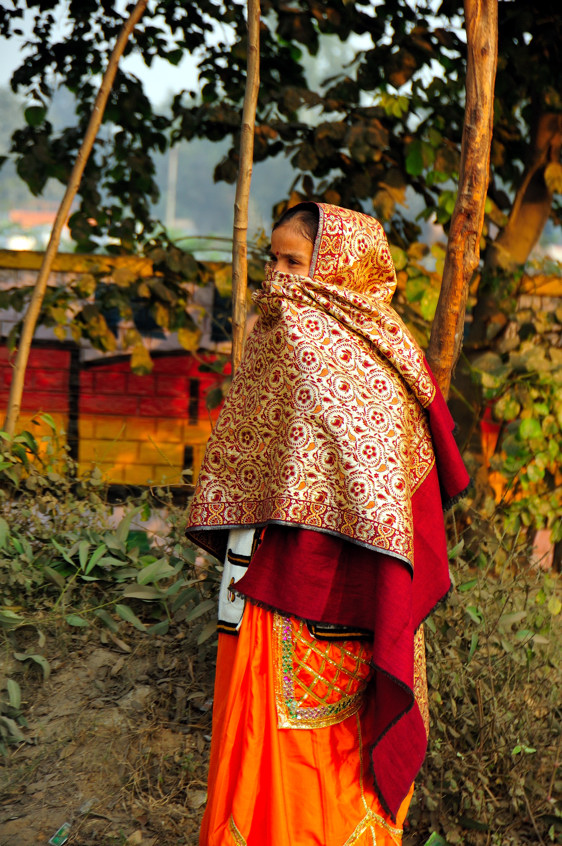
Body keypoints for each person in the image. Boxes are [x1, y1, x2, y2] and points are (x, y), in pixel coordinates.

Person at [186, 202, 469, 846]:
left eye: (296, 262)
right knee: (269, 756)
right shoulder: (298, 335)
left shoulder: (367, 349)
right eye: (272, 262)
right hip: (268, 583)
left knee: (321, 763)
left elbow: (380, 486)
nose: (279, 279)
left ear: (342, 269)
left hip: (330, 594)